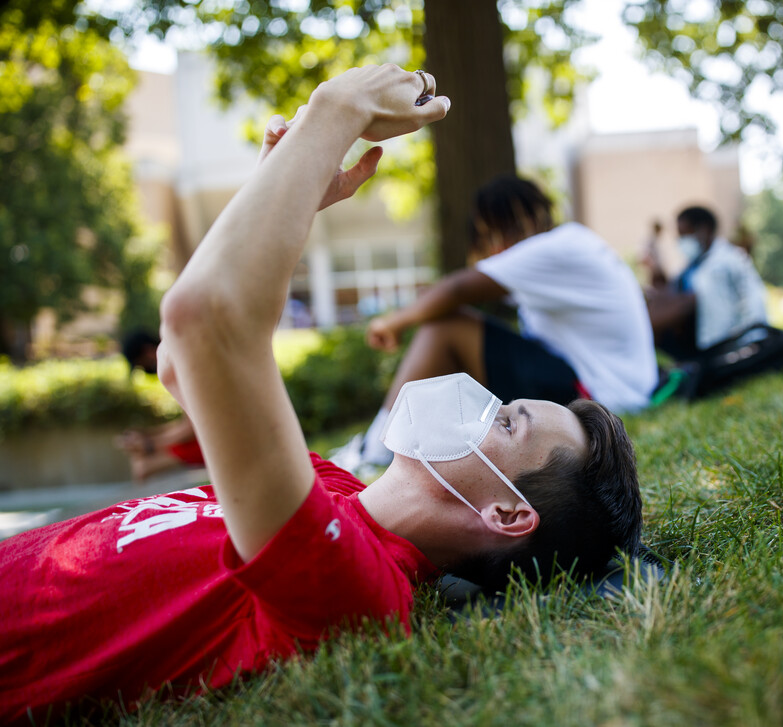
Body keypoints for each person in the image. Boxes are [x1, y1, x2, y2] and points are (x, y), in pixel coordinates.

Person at [0, 65, 643, 723]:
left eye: (504, 419)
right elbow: (179, 366)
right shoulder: (333, 485)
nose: (479, 398)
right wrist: (280, 193)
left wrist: (337, 110)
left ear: (507, 516)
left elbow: (206, 325)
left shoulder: (360, 593)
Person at [336, 175, 657, 474]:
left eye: (491, 235)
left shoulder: (558, 245)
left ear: (512, 225)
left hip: (599, 398)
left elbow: (457, 289)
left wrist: (394, 322)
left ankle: (374, 451)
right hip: (611, 391)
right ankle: (401, 443)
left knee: (446, 327)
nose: (492, 250)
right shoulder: (570, 247)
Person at [643, 205, 768, 362]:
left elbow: (754, 299)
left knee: (684, 300)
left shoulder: (730, 259)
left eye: (684, 234)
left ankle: (638, 327)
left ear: (703, 229)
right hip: (691, 339)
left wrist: (754, 342)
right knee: (654, 297)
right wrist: (655, 268)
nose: (680, 241)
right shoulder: (692, 266)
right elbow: (669, 290)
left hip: (721, 344)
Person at [113, 329, 204, 482]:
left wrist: (150, 445)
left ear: (148, 352)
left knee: (142, 467)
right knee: (141, 462)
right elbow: (187, 421)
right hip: (205, 434)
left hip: (210, 437)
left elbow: (191, 428)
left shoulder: (178, 363)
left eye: (143, 365)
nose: (147, 370)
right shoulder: (176, 359)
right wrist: (146, 436)